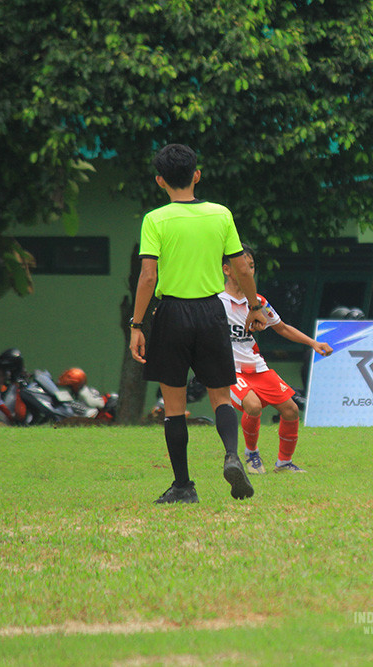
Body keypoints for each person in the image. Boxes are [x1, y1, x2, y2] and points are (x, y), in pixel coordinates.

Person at [129, 143, 267, 505]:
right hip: (211, 311)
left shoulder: (155, 219)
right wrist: (254, 306)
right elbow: (240, 267)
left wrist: (137, 324)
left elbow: (147, 277)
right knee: (221, 396)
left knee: (174, 404)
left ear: (160, 181)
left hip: (172, 313)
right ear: (197, 175)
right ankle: (232, 455)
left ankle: (183, 486)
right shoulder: (220, 215)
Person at [219, 246, 334, 474]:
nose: (249, 272)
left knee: (291, 410)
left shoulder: (258, 302)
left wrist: (313, 343)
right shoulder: (214, 301)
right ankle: (252, 454)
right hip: (231, 370)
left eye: (251, 267)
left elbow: (281, 328)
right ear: (227, 270)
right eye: (243, 267)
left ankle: (284, 463)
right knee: (252, 405)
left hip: (258, 368)